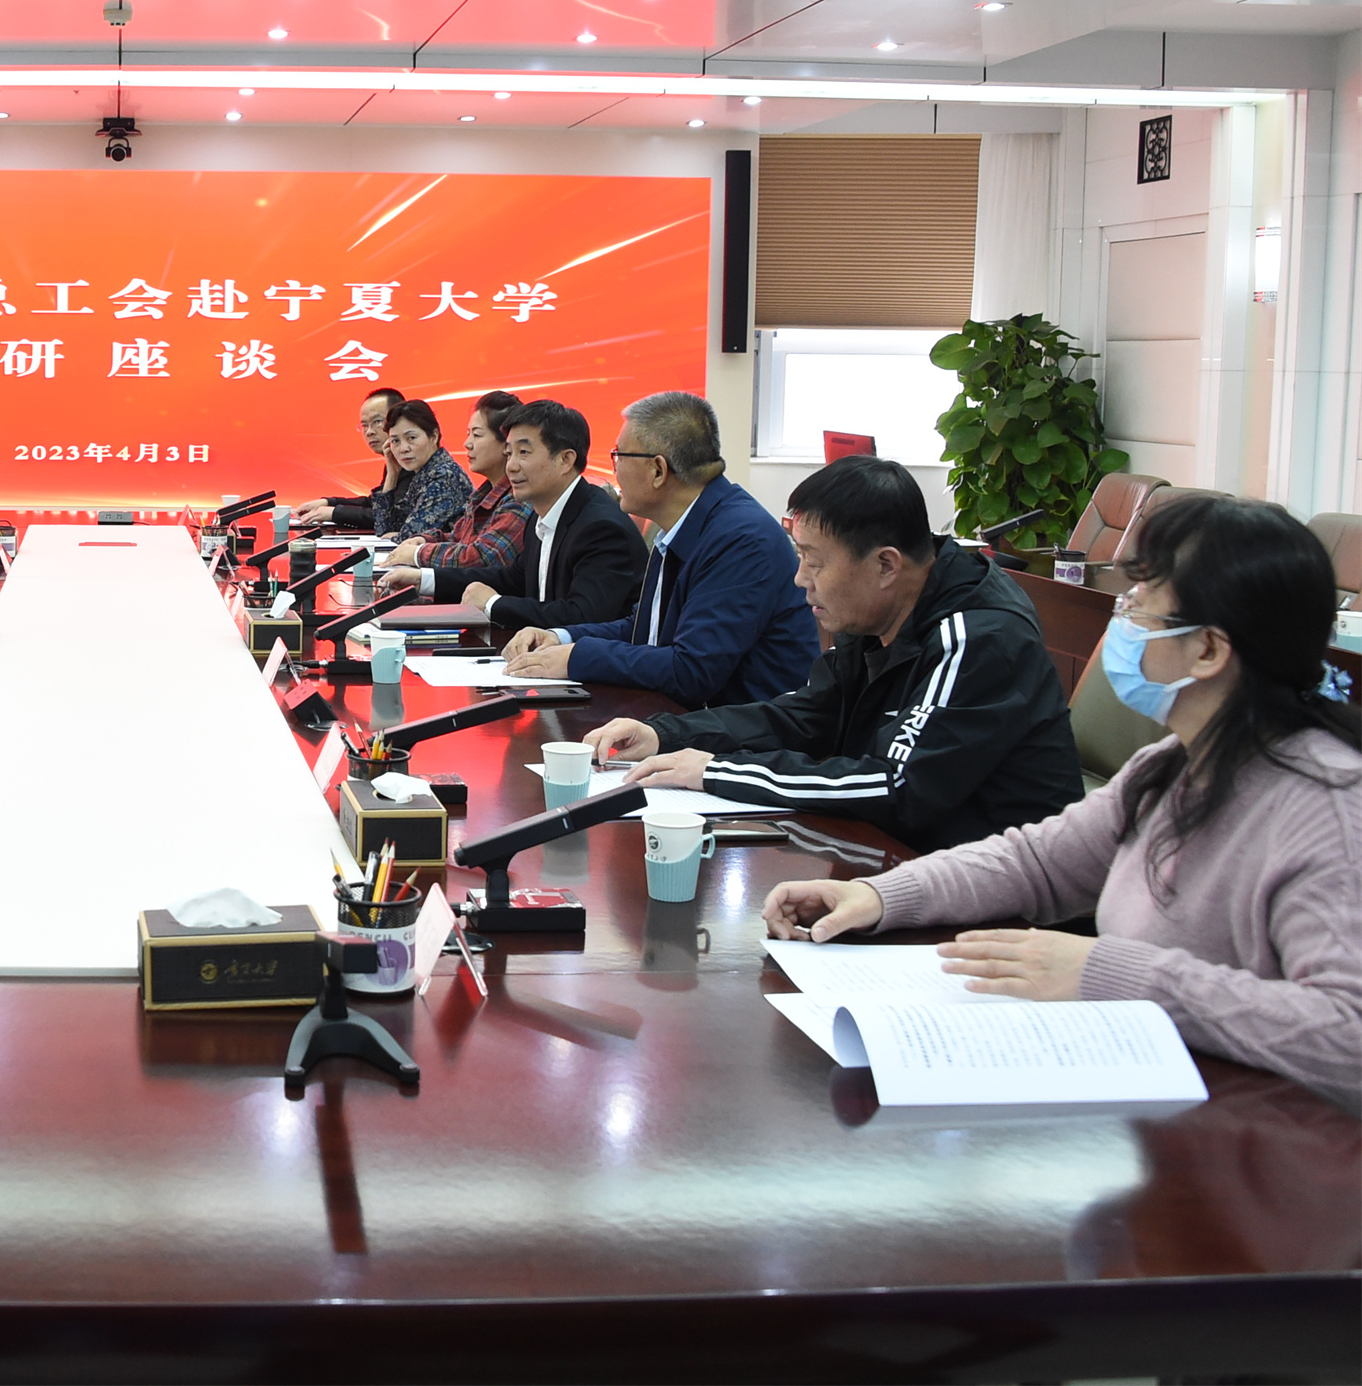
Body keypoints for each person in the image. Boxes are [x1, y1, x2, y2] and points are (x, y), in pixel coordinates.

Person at [764, 494, 1362, 1112]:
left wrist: (1113, 973)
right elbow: (1038, 862)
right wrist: (882, 896)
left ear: (1209, 650)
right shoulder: (1173, 764)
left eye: (1139, 611)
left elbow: (1348, 1036)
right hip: (1152, 1100)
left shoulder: (1329, 807)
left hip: (1258, 1134)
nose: (1119, 627)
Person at [585, 454, 1082, 851]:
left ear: (885, 566)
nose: (800, 578)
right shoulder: (875, 615)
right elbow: (805, 715)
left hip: (1002, 900)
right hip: (900, 858)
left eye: (813, 561)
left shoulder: (976, 637)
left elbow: (898, 787)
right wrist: (667, 734)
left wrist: (717, 772)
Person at [503, 390, 817, 706]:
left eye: (619, 456)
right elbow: (646, 628)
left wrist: (576, 657)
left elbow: (691, 671)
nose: (615, 470)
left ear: (658, 471)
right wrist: (561, 637)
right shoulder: (686, 523)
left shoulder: (741, 539)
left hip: (738, 730)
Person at [429, 399, 645, 630]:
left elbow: (582, 616)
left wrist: (492, 604)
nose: (511, 466)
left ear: (565, 460)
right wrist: (425, 579)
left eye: (524, 452)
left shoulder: (601, 527)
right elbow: (515, 580)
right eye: (509, 453)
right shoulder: (541, 513)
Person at [379, 391, 525, 591]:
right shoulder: (483, 495)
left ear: (507, 444)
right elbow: (456, 536)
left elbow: (481, 558)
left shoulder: (517, 497)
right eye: (395, 440)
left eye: (477, 435)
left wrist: (418, 552)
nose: (467, 443)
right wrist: (424, 540)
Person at [291, 386, 404, 529]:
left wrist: (335, 513)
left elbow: (394, 517)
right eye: (364, 425)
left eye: (377, 422)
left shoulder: (411, 461)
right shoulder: (392, 459)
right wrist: (328, 503)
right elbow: (374, 503)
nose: (369, 432)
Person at [372, 398, 474, 541]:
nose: (403, 448)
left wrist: (396, 536)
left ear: (434, 436)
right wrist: (392, 475)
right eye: (395, 441)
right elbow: (385, 529)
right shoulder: (424, 473)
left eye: (411, 438)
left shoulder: (444, 475)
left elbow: (410, 538)